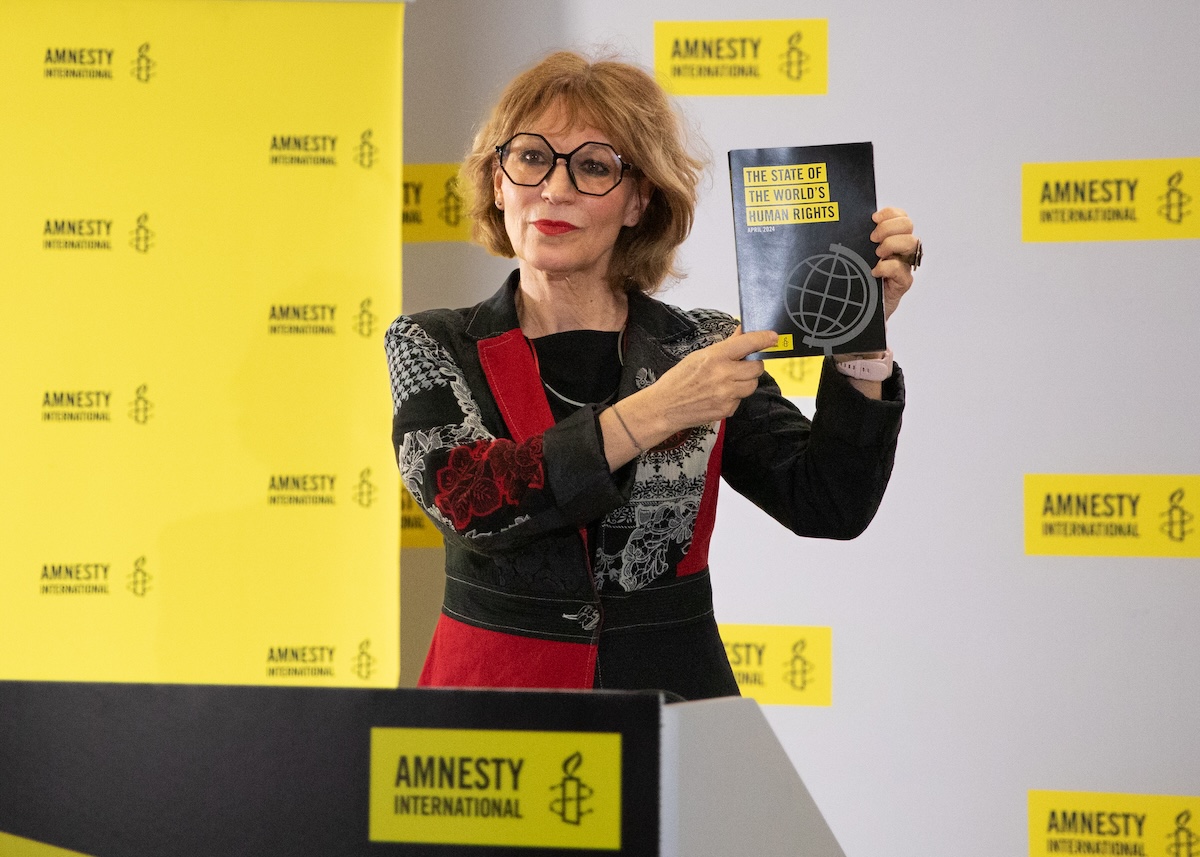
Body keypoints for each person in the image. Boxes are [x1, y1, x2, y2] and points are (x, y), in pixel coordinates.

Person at [385, 50, 918, 700]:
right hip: (495, 713)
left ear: (639, 200)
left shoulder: (703, 345)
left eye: (593, 166)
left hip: (673, 706)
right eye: (530, 157)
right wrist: (656, 410)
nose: (555, 189)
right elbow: (470, 501)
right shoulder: (429, 342)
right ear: (498, 183)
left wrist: (860, 334)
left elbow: (827, 502)